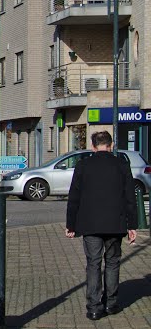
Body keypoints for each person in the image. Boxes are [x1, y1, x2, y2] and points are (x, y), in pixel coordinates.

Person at [65, 131, 138, 321]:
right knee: (113, 262)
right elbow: (130, 198)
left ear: (93, 146)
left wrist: (70, 224)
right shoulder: (122, 165)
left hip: (89, 224)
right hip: (116, 223)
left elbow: (74, 197)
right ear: (111, 145)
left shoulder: (83, 165)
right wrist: (132, 225)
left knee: (93, 264)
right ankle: (111, 304)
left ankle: (94, 307)